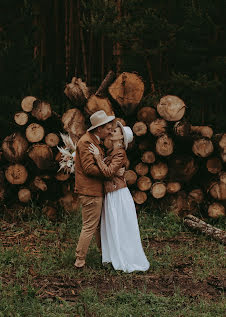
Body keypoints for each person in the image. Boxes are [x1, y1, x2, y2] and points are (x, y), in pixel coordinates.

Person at [89, 121, 150, 273]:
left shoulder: (120, 152)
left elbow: (108, 172)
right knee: (114, 225)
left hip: (118, 193)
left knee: (120, 225)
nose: (112, 131)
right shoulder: (112, 151)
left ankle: (126, 258)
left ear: (122, 137)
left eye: (116, 130)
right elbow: (110, 171)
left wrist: (97, 158)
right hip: (112, 192)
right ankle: (115, 255)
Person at [74, 110, 115, 268]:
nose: (110, 130)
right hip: (89, 191)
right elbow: (89, 168)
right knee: (90, 225)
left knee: (96, 225)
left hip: (93, 190)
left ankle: (104, 255)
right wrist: (108, 173)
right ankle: (80, 260)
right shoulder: (86, 142)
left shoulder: (94, 141)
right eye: (107, 128)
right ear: (99, 129)